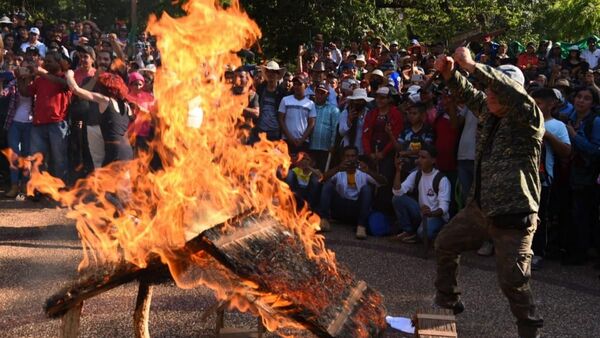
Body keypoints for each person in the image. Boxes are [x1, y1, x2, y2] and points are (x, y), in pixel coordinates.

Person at [433, 47, 544, 338]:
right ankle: (449, 301)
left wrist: (471, 65)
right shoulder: (490, 112)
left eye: (495, 91)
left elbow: (504, 89)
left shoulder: (528, 117)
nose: (489, 95)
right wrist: (450, 73)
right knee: (445, 242)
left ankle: (529, 331)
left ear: (512, 94)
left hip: (513, 215)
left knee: (513, 282)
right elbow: (470, 94)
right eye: (490, 92)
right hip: (480, 209)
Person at [529, 88, 572, 270]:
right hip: (523, 177)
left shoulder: (557, 126)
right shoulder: (526, 121)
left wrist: (547, 135)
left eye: (538, 103)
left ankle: (538, 252)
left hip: (543, 179)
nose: (534, 106)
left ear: (551, 104)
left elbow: (566, 151)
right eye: (533, 102)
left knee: (540, 217)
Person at [18, 51, 72, 183]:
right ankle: (37, 188)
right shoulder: (40, 79)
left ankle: (60, 188)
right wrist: (20, 78)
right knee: (37, 159)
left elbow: (66, 85)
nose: (46, 64)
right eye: (45, 61)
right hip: (39, 124)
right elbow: (25, 92)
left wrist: (41, 72)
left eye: (49, 61)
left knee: (59, 159)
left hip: (57, 124)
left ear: (58, 63)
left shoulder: (64, 77)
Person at [65, 69, 133, 166]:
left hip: (115, 152)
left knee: (108, 180)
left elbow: (76, 90)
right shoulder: (126, 106)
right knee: (124, 180)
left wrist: (69, 75)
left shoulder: (105, 101)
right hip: (127, 150)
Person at [564, 86, 600, 265]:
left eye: (586, 98)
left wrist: (575, 136)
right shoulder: (569, 118)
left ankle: (581, 252)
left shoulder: (595, 121)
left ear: (592, 103)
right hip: (568, 173)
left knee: (583, 214)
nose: (581, 101)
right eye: (579, 96)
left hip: (586, 176)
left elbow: (595, 150)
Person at [317, 145, 386, 238]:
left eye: (353, 156)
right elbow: (321, 180)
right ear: (343, 158)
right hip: (339, 209)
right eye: (347, 156)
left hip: (356, 211)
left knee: (367, 189)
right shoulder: (339, 170)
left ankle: (361, 226)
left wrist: (368, 171)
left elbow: (383, 182)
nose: (350, 159)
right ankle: (324, 220)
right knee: (328, 184)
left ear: (357, 157)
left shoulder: (363, 170)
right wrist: (337, 169)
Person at [392, 145, 451, 243]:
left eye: (423, 158)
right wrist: (398, 171)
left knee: (422, 233)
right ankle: (409, 232)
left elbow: (444, 208)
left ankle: (439, 233)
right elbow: (397, 192)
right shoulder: (416, 174)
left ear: (433, 161)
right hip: (422, 213)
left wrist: (430, 213)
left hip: (436, 216)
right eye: (418, 157)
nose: (419, 160)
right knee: (397, 199)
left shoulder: (442, 179)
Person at [278, 73, 316, 155]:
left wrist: (302, 139)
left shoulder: (310, 103)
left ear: (305, 86)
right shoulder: (285, 100)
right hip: (286, 140)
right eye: (295, 84)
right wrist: (290, 137)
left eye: (299, 84)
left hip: (303, 142)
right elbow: (281, 119)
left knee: (300, 167)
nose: (296, 86)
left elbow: (311, 123)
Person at [250, 60, 286, 143]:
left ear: (278, 75)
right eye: (268, 72)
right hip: (260, 130)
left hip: (275, 132)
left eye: (273, 72)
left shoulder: (282, 92)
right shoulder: (260, 89)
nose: (271, 74)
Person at [309, 81, 340, 171]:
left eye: (323, 93)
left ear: (327, 95)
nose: (319, 95)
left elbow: (335, 129)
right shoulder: (310, 107)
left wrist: (332, 145)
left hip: (326, 149)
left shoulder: (334, 110)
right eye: (318, 92)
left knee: (323, 173)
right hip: (311, 147)